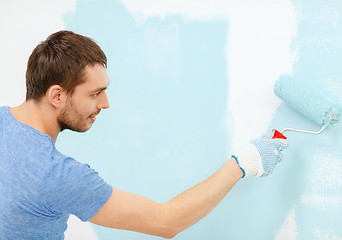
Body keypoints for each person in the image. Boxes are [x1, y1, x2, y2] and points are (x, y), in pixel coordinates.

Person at [0, 30, 288, 239]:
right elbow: (167, 222)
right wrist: (242, 162)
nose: (105, 104)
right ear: (57, 95)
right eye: (95, 93)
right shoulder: (58, 176)